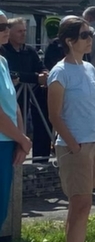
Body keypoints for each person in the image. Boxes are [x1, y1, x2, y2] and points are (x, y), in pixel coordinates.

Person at [47, 16, 95, 242]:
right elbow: (54, 115)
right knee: (79, 205)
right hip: (75, 147)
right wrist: (73, 144)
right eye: (84, 35)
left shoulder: (88, 68)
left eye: (90, 34)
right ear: (69, 40)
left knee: (84, 207)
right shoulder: (59, 72)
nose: (90, 39)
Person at [0, 10, 31, 242]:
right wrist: (20, 138)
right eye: (1, 27)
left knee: (0, 211)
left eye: (7, 25)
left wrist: (22, 136)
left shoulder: (3, 61)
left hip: (7, 142)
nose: (6, 30)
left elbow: (12, 104)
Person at [2, 17, 51, 163]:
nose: (23, 34)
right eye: (19, 31)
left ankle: (40, 161)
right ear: (9, 33)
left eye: (24, 31)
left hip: (32, 97)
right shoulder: (3, 52)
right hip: (13, 98)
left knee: (40, 127)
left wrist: (45, 74)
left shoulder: (29, 50)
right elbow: (12, 73)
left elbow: (39, 66)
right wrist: (36, 78)